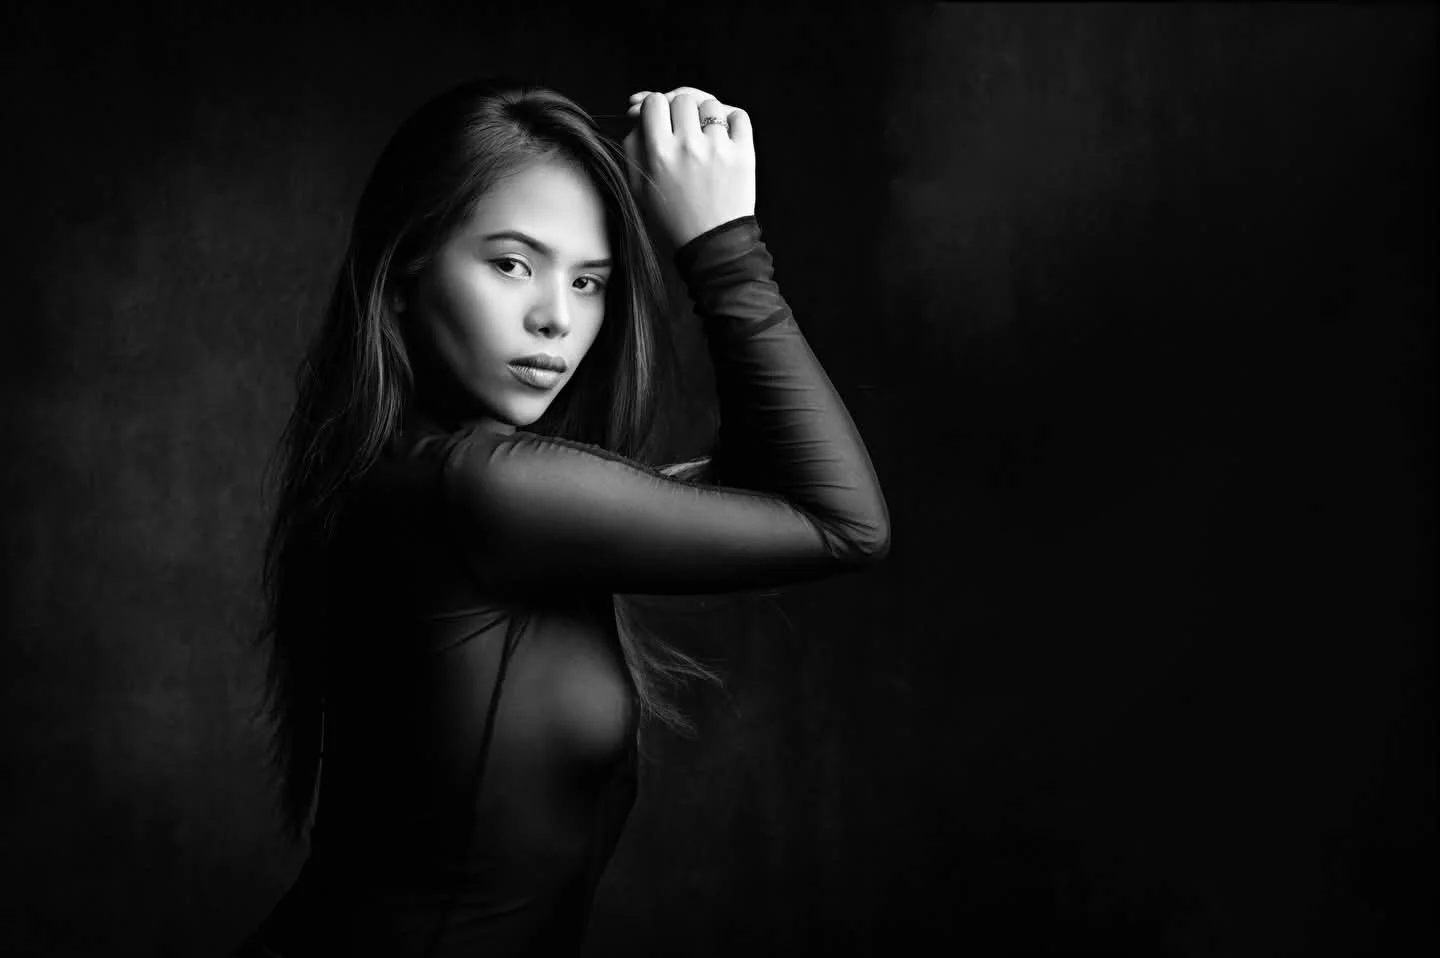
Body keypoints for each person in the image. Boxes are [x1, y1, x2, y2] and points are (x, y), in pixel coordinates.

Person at [234, 76, 890, 958]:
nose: (556, 320)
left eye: (589, 282)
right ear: (404, 272)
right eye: (512, 264)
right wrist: (725, 248)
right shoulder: (480, 488)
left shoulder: (419, 477)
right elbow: (843, 522)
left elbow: (770, 488)